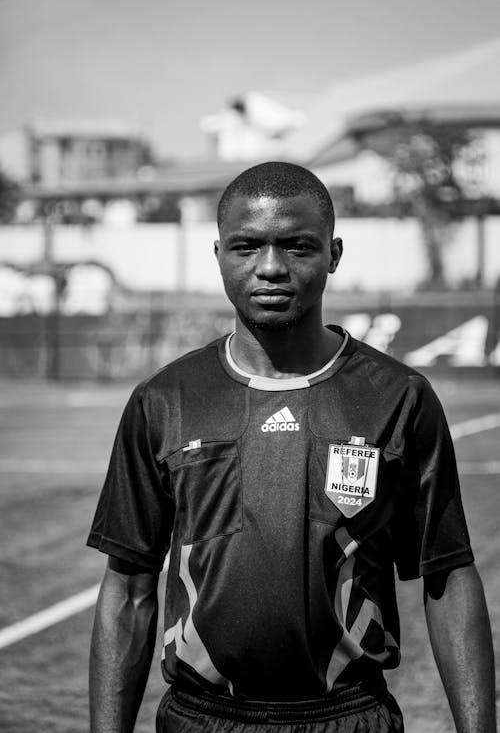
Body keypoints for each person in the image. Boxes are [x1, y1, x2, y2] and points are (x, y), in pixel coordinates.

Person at [87, 161, 495, 733]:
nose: (271, 267)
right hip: (200, 719)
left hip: (350, 717)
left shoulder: (399, 398)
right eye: (247, 247)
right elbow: (129, 589)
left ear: (335, 253)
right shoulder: (165, 400)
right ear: (220, 254)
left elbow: (447, 577)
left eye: (298, 246)